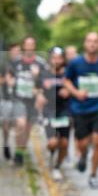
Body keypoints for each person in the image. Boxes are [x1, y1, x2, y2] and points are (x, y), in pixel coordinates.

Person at [64, 31, 98, 188]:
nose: (92, 44)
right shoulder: (75, 63)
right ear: (85, 44)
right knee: (82, 143)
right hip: (79, 108)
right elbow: (66, 81)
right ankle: (83, 154)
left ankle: (93, 175)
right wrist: (76, 93)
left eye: (95, 41)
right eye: (89, 41)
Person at [8, 36, 48, 167]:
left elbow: (45, 83)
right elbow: (9, 75)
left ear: (34, 47)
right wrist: (10, 81)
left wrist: (37, 79)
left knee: (27, 129)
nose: (29, 47)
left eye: (32, 44)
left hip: (33, 100)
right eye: (27, 44)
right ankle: (19, 152)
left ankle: (20, 151)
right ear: (24, 46)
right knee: (20, 124)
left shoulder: (40, 63)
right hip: (18, 98)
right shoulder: (16, 62)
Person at [42, 47, 71, 180]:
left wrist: (69, 90)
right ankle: (51, 153)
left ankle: (57, 166)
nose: (57, 60)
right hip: (49, 110)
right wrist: (38, 95)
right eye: (54, 57)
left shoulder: (69, 73)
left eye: (59, 58)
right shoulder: (44, 73)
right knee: (53, 142)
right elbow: (36, 88)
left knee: (64, 143)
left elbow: (78, 87)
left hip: (64, 110)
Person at [0, 42, 21, 161]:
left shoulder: (22, 64)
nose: (16, 53)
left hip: (19, 99)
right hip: (6, 99)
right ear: (9, 52)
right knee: (6, 125)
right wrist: (6, 79)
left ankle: (19, 151)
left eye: (18, 51)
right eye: (14, 51)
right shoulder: (4, 65)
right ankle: (6, 143)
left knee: (19, 124)